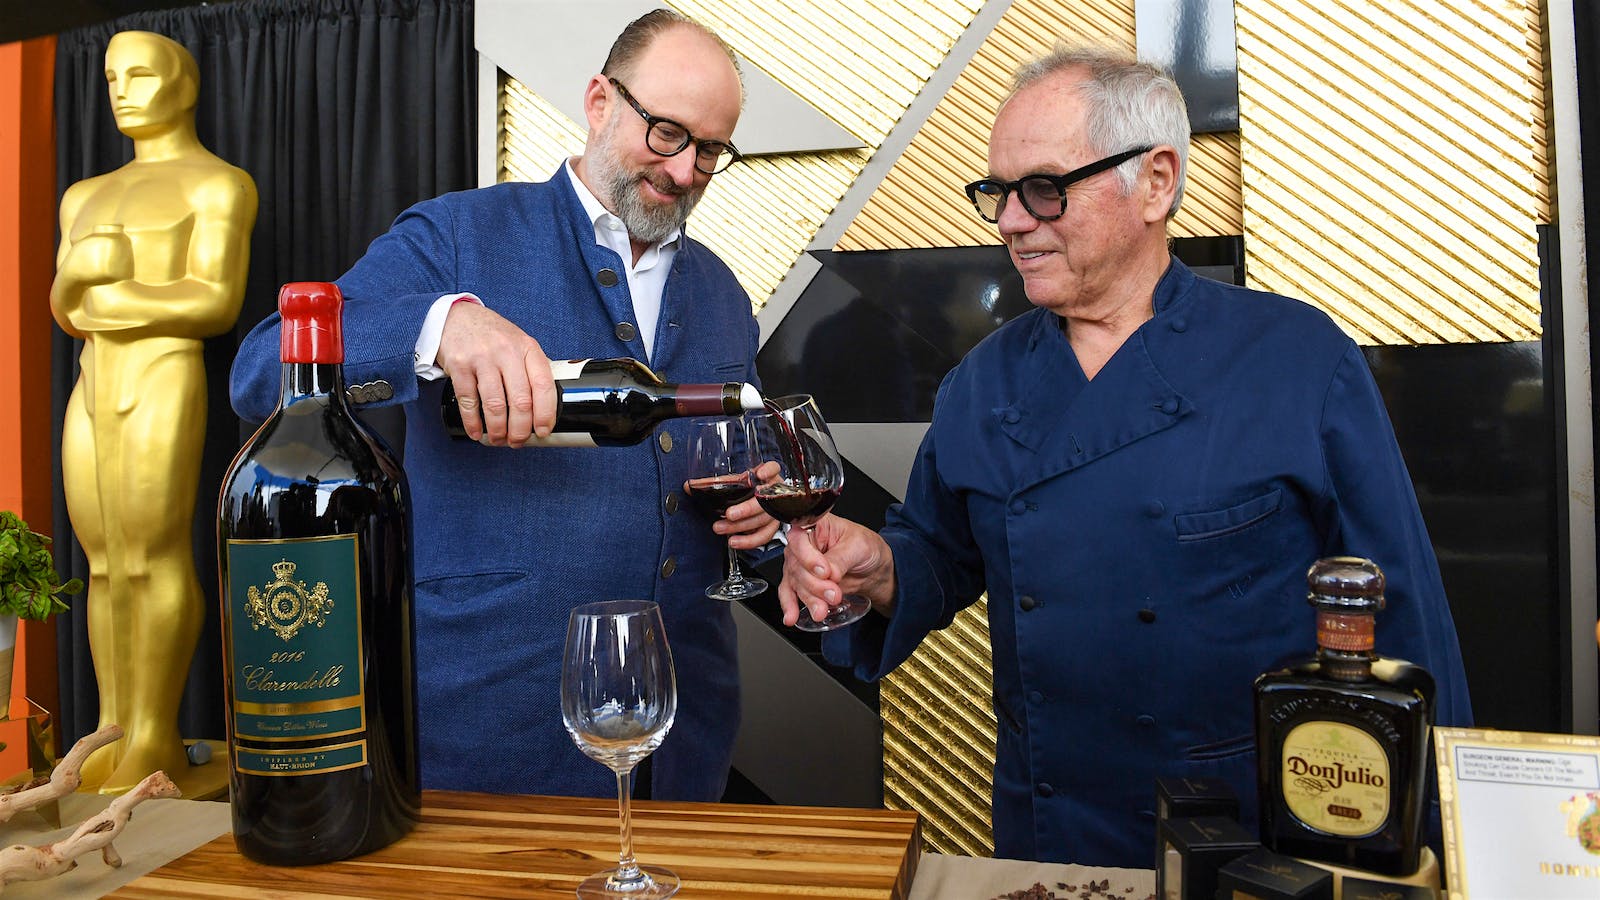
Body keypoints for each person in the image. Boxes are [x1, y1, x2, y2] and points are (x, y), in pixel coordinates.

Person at [776, 46, 1473, 867]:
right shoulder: (983, 382)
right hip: (1049, 832)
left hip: (1247, 841)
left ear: (1157, 182)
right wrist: (878, 567)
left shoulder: (1296, 360)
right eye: (998, 192)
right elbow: (939, 553)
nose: (1009, 219)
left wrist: (1444, 849)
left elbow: (1404, 620)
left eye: (1043, 187)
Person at [230, 9, 776, 802]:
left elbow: (729, 492)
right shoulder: (457, 236)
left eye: (710, 150)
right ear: (599, 102)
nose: (685, 170)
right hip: (488, 733)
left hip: (682, 748)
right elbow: (257, 370)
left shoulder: (724, 293)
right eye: (665, 133)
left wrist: (764, 523)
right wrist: (437, 322)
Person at [51, 30, 258, 794]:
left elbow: (213, 300)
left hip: (165, 376)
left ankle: (154, 731)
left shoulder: (218, 185)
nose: (122, 89)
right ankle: (112, 725)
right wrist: (85, 281)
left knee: (153, 555)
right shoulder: (85, 195)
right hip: (93, 380)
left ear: (183, 83)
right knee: (103, 565)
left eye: (140, 73)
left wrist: (102, 288)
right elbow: (64, 309)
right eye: (111, 77)